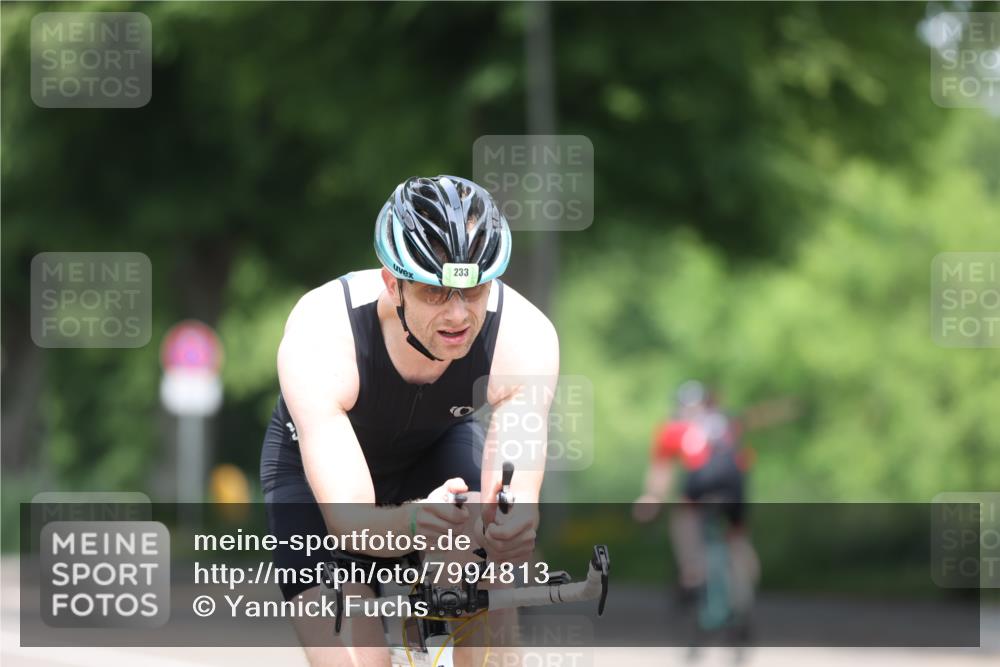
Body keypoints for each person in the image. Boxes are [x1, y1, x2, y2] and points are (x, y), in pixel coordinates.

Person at [260, 175, 559, 667]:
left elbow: (514, 495)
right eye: (435, 293)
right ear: (391, 282)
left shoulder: (524, 338)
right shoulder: (322, 333)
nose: (459, 314)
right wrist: (418, 520)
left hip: (434, 449)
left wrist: (513, 524)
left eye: (475, 289)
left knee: (490, 589)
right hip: (319, 488)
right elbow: (350, 524)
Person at [633, 380, 760, 613]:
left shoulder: (675, 428)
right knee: (737, 534)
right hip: (735, 480)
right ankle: (746, 581)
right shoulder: (725, 420)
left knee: (684, 517)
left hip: (701, 481)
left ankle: (691, 571)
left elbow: (662, 470)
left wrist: (652, 497)